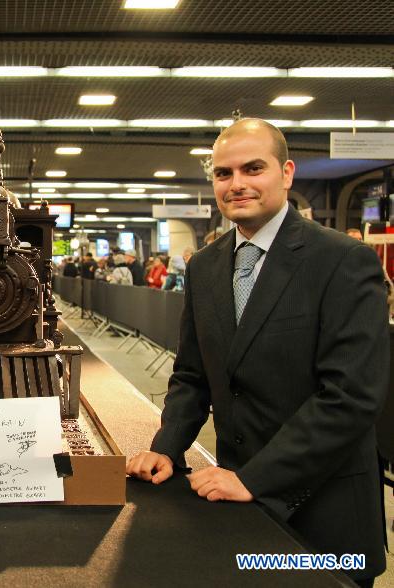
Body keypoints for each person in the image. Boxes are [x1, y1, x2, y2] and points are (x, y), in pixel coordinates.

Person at [126, 119, 388, 586]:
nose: (237, 184)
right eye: (224, 174)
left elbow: (349, 397)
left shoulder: (343, 260)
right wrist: (167, 447)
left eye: (253, 168)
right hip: (236, 506)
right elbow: (192, 375)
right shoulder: (205, 267)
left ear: (286, 173)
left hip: (325, 519)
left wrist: (255, 478)